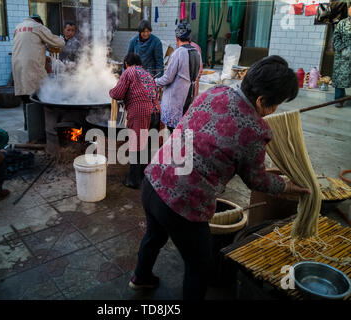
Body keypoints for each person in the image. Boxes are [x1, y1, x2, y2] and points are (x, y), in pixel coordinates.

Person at [129, 56, 310, 299]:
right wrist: (289, 187)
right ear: (261, 100)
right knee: (200, 265)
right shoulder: (255, 130)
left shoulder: (216, 92)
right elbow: (257, 181)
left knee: (154, 235)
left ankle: (140, 279)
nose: (276, 111)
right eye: (276, 104)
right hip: (182, 203)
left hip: (153, 180)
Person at [109, 53, 161, 189]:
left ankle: (132, 180)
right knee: (148, 146)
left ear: (126, 63)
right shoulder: (147, 74)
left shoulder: (129, 72)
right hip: (155, 112)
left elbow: (117, 93)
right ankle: (147, 178)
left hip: (140, 112)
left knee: (137, 145)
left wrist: (110, 92)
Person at [12, 14, 65, 129]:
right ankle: (39, 129)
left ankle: (28, 127)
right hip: (32, 68)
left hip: (18, 68)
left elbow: (31, 45)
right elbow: (59, 43)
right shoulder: (38, 27)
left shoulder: (18, 28)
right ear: (39, 22)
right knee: (37, 99)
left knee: (26, 99)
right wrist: (62, 39)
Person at [155, 22, 201, 132]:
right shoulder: (196, 52)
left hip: (176, 99)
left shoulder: (178, 53)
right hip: (189, 96)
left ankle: (175, 148)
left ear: (177, 38)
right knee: (183, 128)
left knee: (174, 131)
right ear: (189, 38)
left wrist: (154, 81)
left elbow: (168, 78)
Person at [332, 4, 351, 108]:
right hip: (342, 57)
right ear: (348, 10)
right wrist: (343, 49)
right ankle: (339, 99)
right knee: (340, 78)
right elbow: (335, 38)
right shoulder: (342, 23)